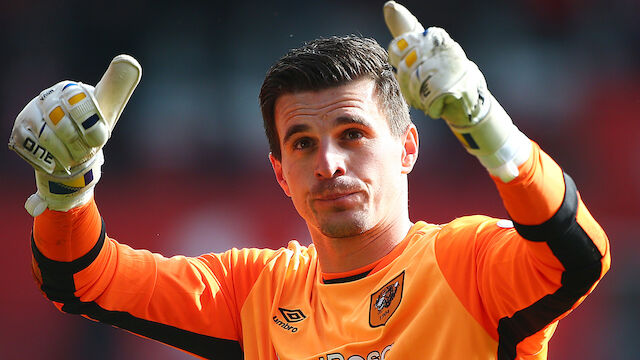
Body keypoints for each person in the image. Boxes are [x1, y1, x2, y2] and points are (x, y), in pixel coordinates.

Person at [9, 2, 609, 359]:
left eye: (352, 133)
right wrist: (67, 189)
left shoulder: (468, 260)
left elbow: (578, 254)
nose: (329, 163)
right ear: (279, 174)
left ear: (407, 148)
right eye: (303, 143)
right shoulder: (254, 294)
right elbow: (82, 281)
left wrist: (487, 123)